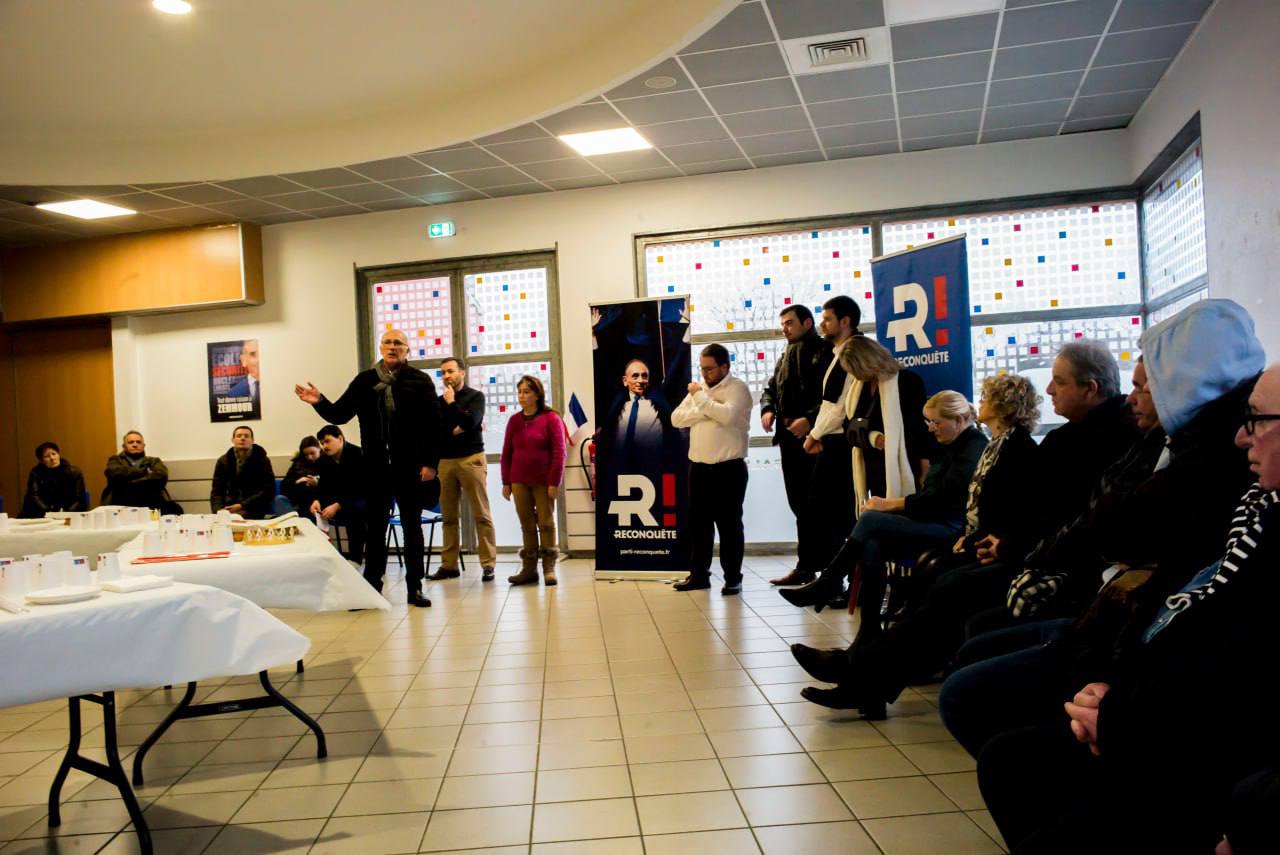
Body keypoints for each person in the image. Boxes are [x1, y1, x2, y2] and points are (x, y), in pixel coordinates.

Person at [975, 361, 1279, 855]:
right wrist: (1112, 691)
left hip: (1197, 752)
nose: (1242, 437)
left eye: (1258, 420)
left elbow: (1238, 680)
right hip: (1140, 683)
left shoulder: (1204, 472)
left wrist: (1119, 714)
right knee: (1007, 751)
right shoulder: (1253, 506)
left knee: (983, 698)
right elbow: (1174, 611)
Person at [938, 300, 1264, 760]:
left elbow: (1113, 528)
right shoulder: (1167, 443)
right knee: (959, 612)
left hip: (1119, 619)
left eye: (1146, 386)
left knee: (972, 687)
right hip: (1116, 614)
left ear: (1183, 382)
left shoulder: (1201, 457)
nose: (1246, 435)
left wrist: (1021, 550)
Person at [787, 339, 1139, 716]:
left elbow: (1070, 518)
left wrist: (1004, 543)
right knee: (932, 574)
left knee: (950, 582)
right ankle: (863, 672)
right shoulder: (1070, 438)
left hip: (1059, 565)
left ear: (1091, 388)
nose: (1050, 389)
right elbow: (1043, 512)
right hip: (1028, 549)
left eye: (1060, 381)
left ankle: (860, 669)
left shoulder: (1103, 441)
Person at [784, 390, 985, 639]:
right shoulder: (952, 444)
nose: (931, 428)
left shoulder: (973, 446)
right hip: (934, 519)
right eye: (929, 422)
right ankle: (867, 632)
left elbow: (942, 498)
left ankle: (828, 582)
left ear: (960, 420)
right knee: (872, 545)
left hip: (951, 527)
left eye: (937, 422)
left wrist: (891, 504)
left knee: (870, 518)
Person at [781, 334, 932, 611]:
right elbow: (851, 428)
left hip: (902, 467)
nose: (855, 376)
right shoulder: (860, 388)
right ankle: (844, 586)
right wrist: (874, 438)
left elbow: (917, 430)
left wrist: (922, 465)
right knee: (871, 530)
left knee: (886, 532)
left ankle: (834, 583)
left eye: (856, 369)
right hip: (871, 467)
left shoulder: (907, 382)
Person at [295, 327, 442, 607]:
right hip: (375, 466)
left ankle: (415, 588)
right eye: (387, 342)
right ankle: (372, 587)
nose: (392, 346)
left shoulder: (419, 381)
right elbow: (340, 413)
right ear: (381, 348)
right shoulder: (365, 381)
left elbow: (433, 426)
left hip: (409, 465)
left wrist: (430, 463)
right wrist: (319, 401)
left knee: (412, 528)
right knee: (375, 528)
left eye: (398, 343)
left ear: (407, 350)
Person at [900, 373, 1042, 610]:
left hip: (994, 543)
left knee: (940, 575)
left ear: (1002, 404)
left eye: (986, 396)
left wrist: (971, 539)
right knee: (927, 566)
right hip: (977, 534)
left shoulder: (1018, 448)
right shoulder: (996, 443)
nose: (980, 402)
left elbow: (1008, 511)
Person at [670, 343, 753, 595]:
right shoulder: (701, 390)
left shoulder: (737, 388)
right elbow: (676, 419)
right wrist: (707, 409)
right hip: (699, 469)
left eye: (710, 369)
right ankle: (699, 576)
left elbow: (727, 416)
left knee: (729, 526)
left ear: (724, 366)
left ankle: (733, 578)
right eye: (702, 368)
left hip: (729, 469)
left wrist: (699, 399)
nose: (705, 374)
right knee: (699, 525)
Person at [760, 304, 834, 586]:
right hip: (789, 439)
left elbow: (834, 398)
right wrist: (768, 409)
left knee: (821, 506)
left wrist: (810, 420)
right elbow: (770, 388)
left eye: (790, 323)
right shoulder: (786, 355)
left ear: (807, 323)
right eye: (783, 324)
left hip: (819, 439)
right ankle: (806, 566)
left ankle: (831, 572)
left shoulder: (825, 352)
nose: (785, 329)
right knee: (800, 505)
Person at [800, 295, 862, 573]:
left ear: (845, 321)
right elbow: (829, 403)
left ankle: (839, 577)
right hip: (832, 438)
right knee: (825, 510)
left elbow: (840, 407)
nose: (822, 324)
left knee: (834, 511)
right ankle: (832, 575)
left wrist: (814, 434)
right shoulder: (838, 353)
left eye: (827, 319)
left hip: (841, 441)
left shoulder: (853, 354)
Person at [431, 356, 498, 582]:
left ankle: (488, 564)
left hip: (471, 459)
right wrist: (457, 425)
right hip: (446, 461)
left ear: (462, 373)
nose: (446, 376)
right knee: (449, 517)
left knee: (481, 514)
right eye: (443, 373)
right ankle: (449, 565)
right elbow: (439, 431)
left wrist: (453, 405)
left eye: (450, 371)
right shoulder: (438, 402)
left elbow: (471, 423)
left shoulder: (475, 397)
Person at [500, 375, 566, 587]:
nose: (522, 396)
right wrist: (506, 482)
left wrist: (554, 482)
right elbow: (507, 452)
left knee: (545, 523)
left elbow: (559, 452)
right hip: (519, 480)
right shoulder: (514, 421)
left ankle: (548, 567)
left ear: (537, 395)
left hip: (543, 481)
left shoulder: (551, 418)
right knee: (527, 525)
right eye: (519, 392)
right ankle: (529, 570)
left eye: (527, 392)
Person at [603, 357, 678, 472]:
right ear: (625, 381)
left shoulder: (659, 401)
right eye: (635, 376)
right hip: (621, 465)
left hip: (653, 464)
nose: (641, 380)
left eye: (644, 376)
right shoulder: (616, 405)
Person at [311, 424, 367, 563]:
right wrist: (317, 500)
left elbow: (359, 488)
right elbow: (323, 486)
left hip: (361, 499)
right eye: (322, 443)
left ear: (340, 439)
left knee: (355, 511)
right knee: (310, 511)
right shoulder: (324, 460)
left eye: (327, 441)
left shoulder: (358, 454)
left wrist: (337, 505)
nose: (324, 446)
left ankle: (355, 559)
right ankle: (319, 557)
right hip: (337, 499)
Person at [102, 431, 182, 514]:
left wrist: (128, 482)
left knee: (175, 509)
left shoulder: (154, 461)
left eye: (138, 442)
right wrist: (144, 472)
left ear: (143, 446)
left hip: (150, 501)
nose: (135, 444)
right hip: (122, 502)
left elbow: (161, 476)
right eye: (131, 442)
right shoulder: (115, 460)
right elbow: (113, 472)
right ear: (124, 446)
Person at [210, 425, 276, 519]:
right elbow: (217, 491)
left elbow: (268, 490)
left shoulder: (262, 460)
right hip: (228, 508)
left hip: (253, 507)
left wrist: (242, 505)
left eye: (246, 436)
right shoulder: (223, 461)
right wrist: (219, 511)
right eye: (239, 436)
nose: (242, 438)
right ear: (233, 440)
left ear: (252, 440)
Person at [20, 442, 87, 518]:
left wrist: (65, 513)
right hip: (42, 513)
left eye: (54, 454)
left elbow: (79, 498)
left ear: (58, 455)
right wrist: (49, 512)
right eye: (47, 456)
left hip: (69, 513)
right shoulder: (36, 473)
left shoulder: (74, 472)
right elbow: (34, 497)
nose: (52, 458)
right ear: (41, 460)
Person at [276, 435, 323, 515]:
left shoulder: (328, 462)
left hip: (317, 502)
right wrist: (296, 482)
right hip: (297, 500)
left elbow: (332, 488)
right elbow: (284, 487)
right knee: (279, 500)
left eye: (312, 453)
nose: (309, 457)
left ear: (319, 449)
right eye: (306, 455)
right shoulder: (297, 464)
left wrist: (317, 484)